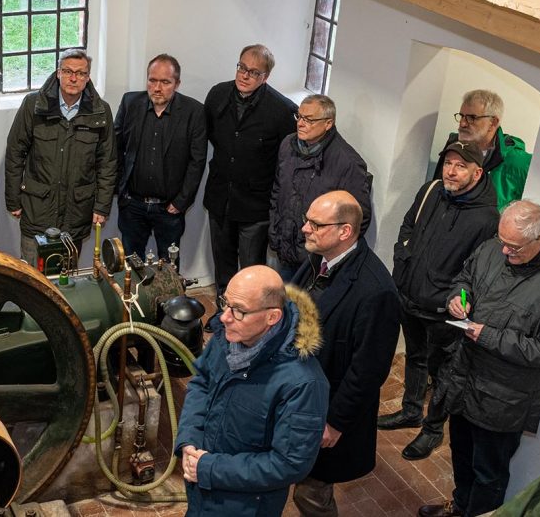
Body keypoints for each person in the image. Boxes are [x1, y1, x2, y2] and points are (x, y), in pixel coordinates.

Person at [419, 200, 540, 517]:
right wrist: (458, 297)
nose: (505, 252)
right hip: (464, 379)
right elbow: (466, 276)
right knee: (461, 454)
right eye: (502, 242)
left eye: (514, 248)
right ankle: (459, 506)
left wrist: (490, 336)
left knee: (489, 475)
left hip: (503, 401)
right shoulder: (494, 248)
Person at [176, 265, 329, 516]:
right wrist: (189, 439)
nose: (224, 317)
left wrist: (210, 468)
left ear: (272, 317)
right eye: (226, 303)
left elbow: (289, 464)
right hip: (202, 489)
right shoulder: (229, 336)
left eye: (239, 311)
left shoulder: (303, 384)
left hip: (246, 506)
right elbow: (202, 381)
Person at [379, 141, 500, 461]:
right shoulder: (431, 190)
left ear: (477, 172)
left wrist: (457, 298)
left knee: (444, 372)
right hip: (409, 294)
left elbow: (479, 271)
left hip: (443, 311)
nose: (451, 170)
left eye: (461, 166)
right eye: (449, 162)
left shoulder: (487, 217)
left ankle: (432, 430)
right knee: (415, 356)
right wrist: (402, 257)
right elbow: (408, 224)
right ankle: (410, 411)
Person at [290, 191, 401, 517]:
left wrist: (335, 423)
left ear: (345, 232)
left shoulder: (376, 291)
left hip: (326, 408)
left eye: (315, 224)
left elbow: (368, 370)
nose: (304, 229)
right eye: (306, 220)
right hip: (300, 394)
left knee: (312, 494)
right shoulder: (318, 258)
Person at [4, 48, 117, 263]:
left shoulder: (100, 111)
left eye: (80, 73)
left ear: (87, 77)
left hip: (77, 212)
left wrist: (102, 206)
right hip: (37, 209)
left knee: (67, 279)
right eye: (67, 71)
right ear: (58, 73)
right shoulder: (33, 105)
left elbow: (107, 162)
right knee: (31, 277)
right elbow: (15, 153)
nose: (73, 78)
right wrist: (13, 201)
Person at [202, 44, 297, 291]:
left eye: (254, 72)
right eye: (242, 67)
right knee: (222, 263)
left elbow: (285, 161)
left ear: (265, 77)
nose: (244, 75)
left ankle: (249, 321)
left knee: (251, 271)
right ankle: (224, 308)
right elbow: (212, 136)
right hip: (220, 197)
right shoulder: (217, 95)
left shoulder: (283, 111)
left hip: (255, 207)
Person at [114, 54, 207, 265]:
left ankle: (168, 300)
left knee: (168, 267)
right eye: (152, 80)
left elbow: (197, 161)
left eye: (165, 82)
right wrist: (122, 190)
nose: (157, 87)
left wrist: (181, 202)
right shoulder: (130, 103)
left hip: (169, 208)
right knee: (131, 264)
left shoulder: (194, 112)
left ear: (177, 84)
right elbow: (116, 148)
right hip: (133, 205)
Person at [268, 95, 372, 276]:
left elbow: (358, 218)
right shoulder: (288, 145)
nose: (300, 123)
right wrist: (275, 231)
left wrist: (328, 251)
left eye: (309, 119)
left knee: (306, 305)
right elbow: (278, 191)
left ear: (328, 123)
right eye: (299, 116)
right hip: (285, 250)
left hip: (317, 261)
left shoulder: (348, 163)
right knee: (285, 302)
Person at [438, 89, 532, 210]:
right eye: (462, 116)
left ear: (493, 123)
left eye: (472, 118)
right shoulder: (453, 145)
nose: (462, 124)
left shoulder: (518, 162)